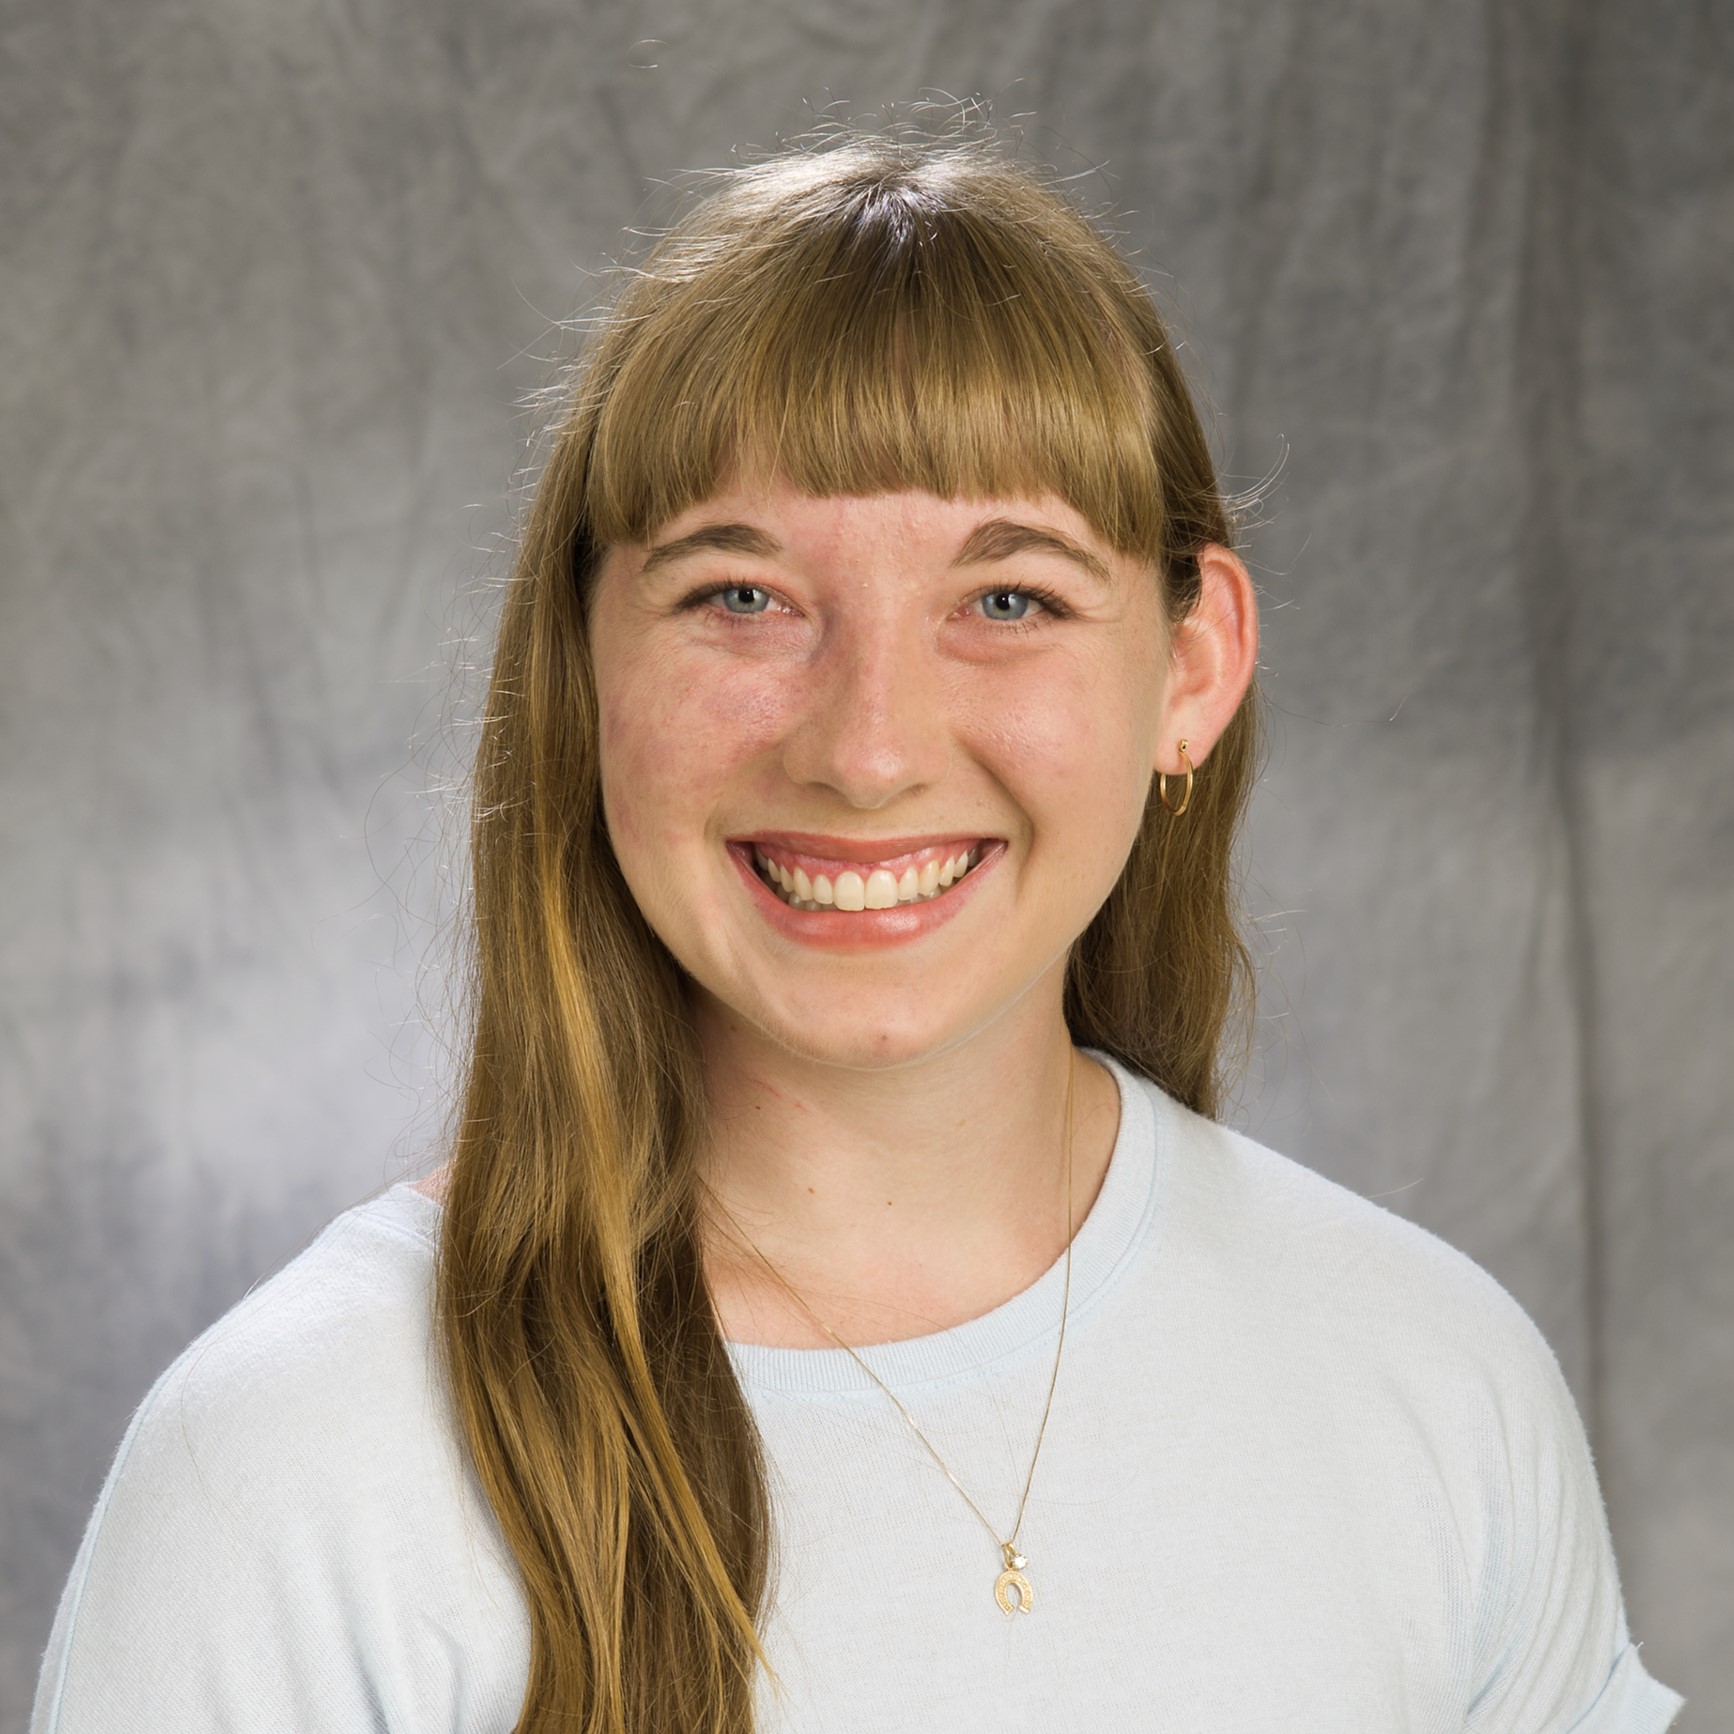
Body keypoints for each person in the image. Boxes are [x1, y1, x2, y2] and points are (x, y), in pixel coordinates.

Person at [32, 134, 1684, 1734]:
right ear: (584, 671)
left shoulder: (1431, 1374)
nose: (868, 745)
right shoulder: (289, 1463)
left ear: (1189, 670)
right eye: (740, 595)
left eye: (1008, 598)